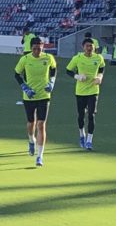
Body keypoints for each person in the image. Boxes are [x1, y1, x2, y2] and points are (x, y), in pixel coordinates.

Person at [13, 34, 57, 167]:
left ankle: (40, 156)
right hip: (29, 96)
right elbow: (17, 74)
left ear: (43, 47)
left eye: (39, 48)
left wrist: (51, 82)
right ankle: (31, 139)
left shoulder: (48, 58)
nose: (37, 51)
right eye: (34, 49)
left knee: (41, 124)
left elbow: (54, 69)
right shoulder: (25, 59)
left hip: (44, 95)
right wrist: (25, 87)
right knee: (31, 123)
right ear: (31, 48)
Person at [65, 35, 106, 151]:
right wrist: (77, 76)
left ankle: (89, 140)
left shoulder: (99, 58)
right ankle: (82, 135)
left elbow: (102, 68)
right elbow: (68, 70)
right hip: (80, 91)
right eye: (87, 46)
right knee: (81, 116)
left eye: (91, 46)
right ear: (83, 47)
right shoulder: (77, 58)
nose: (89, 48)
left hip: (93, 90)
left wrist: (100, 77)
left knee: (91, 115)